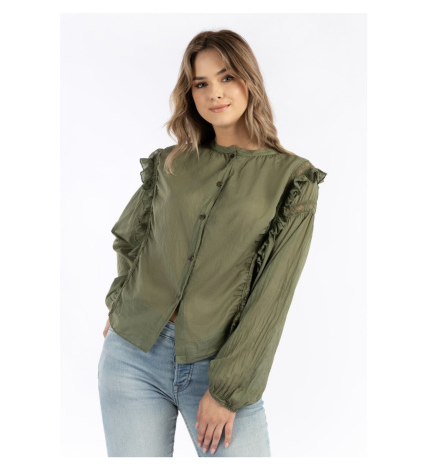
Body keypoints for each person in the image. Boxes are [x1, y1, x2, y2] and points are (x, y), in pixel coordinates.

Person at [97, 29, 327, 457]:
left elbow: (272, 294)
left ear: (249, 81)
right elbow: (132, 238)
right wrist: (121, 304)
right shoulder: (172, 162)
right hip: (131, 355)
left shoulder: (292, 179)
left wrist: (227, 390)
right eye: (200, 83)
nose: (214, 93)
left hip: (217, 365)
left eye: (226, 77)